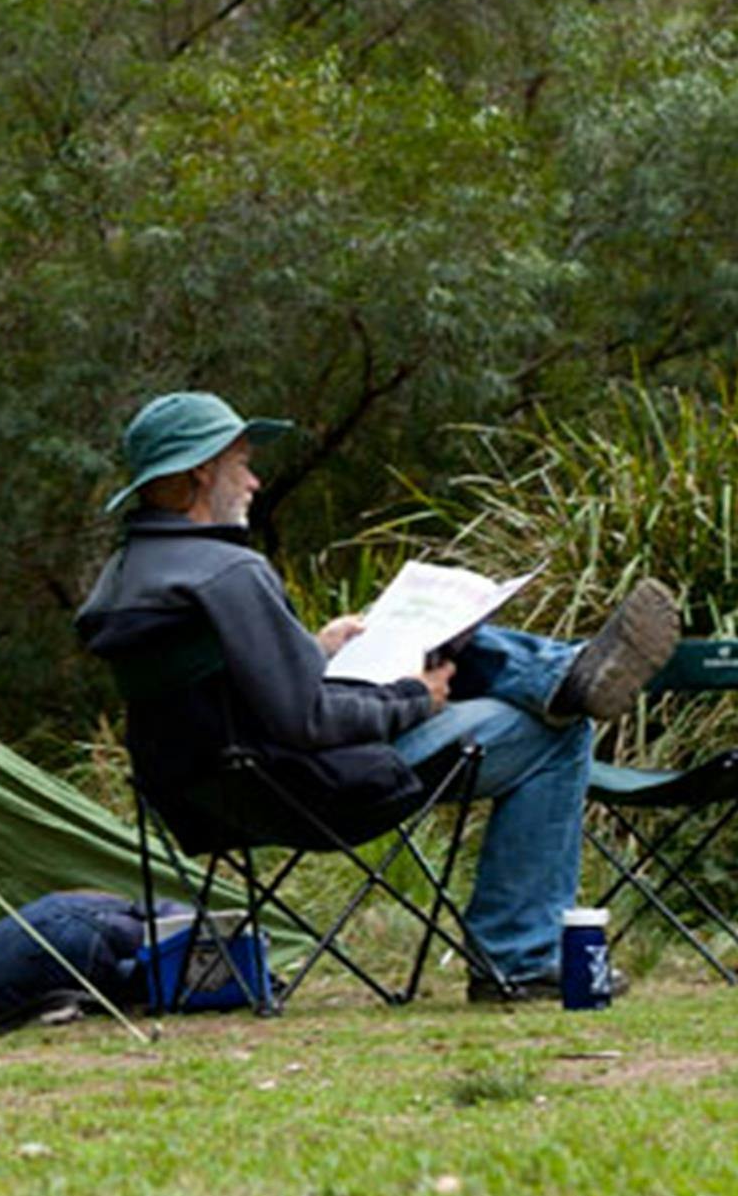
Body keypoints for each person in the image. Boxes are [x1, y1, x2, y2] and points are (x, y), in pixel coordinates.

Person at [75, 390, 681, 1002]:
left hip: (207, 795)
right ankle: (519, 957)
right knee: (558, 733)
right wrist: (413, 700)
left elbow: (226, 695)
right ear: (202, 470)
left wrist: (315, 648)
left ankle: (563, 675)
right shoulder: (229, 573)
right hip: (314, 784)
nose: (255, 479)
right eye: (242, 462)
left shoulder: (126, 577)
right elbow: (308, 721)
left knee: (431, 640)